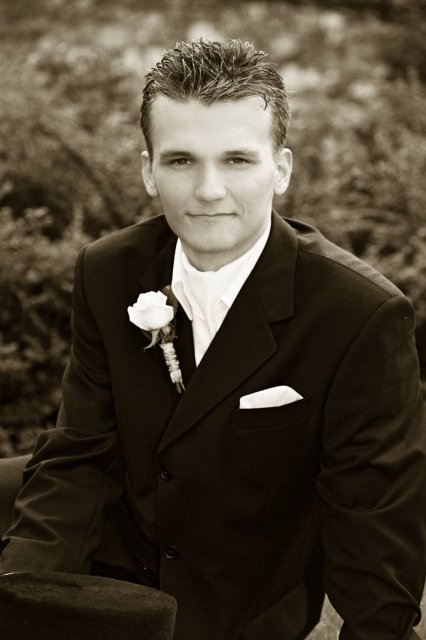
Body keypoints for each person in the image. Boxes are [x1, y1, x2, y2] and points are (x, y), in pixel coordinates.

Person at [0, 39, 425, 640]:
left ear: (281, 169)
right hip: (113, 573)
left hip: (236, 606)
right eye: (180, 161)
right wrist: (23, 602)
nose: (208, 190)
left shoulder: (359, 314)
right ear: (148, 171)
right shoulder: (107, 270)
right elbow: (81, 453)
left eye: (237, 160)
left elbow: (373, 519)